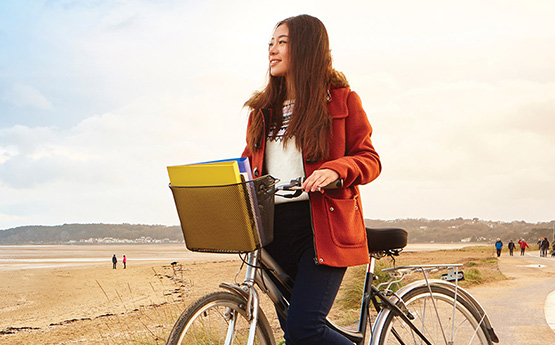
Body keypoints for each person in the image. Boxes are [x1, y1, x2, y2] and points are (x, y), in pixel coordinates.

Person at [241, 14, 381, 345]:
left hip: (321, 230)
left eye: (282, 43)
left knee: (304, 331)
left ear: (306, 48)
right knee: (297, 334)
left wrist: (337, 170)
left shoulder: (342, 101)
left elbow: (370, 160)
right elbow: (247, 166)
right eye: (270, 44)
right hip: (273, 233)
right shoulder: (261, 113)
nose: (272, 50)